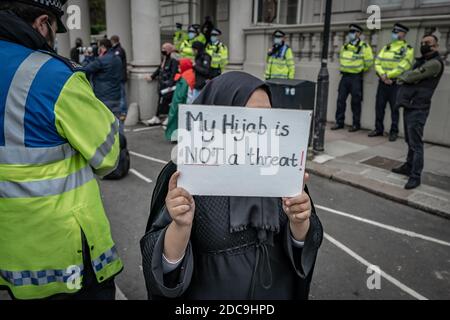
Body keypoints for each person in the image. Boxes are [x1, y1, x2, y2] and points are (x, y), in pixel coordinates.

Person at [141, 72, 323, 300]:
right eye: (245, 117)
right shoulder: (186, 170)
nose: (257, 127)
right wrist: (180, 227)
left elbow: (307, 244)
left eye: (265, 117)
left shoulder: (282, 165)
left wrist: (300, 223)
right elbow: (159, 264)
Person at [0, 0, 122, 300]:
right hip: (63, 254)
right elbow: (108, 156)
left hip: (11, 254)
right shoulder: (53, 74)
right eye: (55, 28)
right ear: (43, 24)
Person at [392, 35, 444, 190]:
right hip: (410, 104)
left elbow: (411, 75)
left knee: (416, 143)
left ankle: (415, 176)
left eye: (427, 43)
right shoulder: (423, 61)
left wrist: (405, 77)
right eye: (422, 43)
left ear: (435, 46)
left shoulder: (434, 64)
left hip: (419, 107)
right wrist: (407, 77)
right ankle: (408, 166)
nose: (423, 45)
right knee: (410, 141)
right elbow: (410, 76)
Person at [369, 23, 414, 141]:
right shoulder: (387, 47)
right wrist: (383, 76)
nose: (394, 34)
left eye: (396, 32)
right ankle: (378, 129)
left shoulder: (407, 49)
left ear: (403, 34)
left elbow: (403, 67)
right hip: (383, 82)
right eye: (393, 32)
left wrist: (387, 76)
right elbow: (377, 62)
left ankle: (394, 132)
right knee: (379, 107)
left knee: (394, 109)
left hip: (395, 83)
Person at [332, 24, 374, 132]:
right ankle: (339, 122)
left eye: (353, 32)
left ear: (359, 34)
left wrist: (359, 70)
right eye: (350, 32)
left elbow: (369, 62)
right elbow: (341, 59)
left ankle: (356, 124)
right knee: (340, 100)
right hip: (345, 77)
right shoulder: (345, 46)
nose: (351, 34)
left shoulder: (364, 47)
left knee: (356, 101)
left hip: (356, 77)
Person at [84, 38, 123, 132]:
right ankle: (121, 144)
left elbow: (85, 69)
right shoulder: (117, 59)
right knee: (116, 123)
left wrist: (87, 58)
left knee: (103, 126)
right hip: (116, 96)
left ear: (102, 48)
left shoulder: (101, 60)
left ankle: (108, 145)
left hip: (103, 97)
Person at [144, 43, 179, 126]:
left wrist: (170, 84)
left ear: (169, 50)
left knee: (168, 102)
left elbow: (173, 73)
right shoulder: (164, 59)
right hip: (162, 85)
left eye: (164, 49)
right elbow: (159, 69)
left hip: (168, 86)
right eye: (162, 48)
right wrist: (152, 77)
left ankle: (167, 117)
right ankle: (157, 117)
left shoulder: (173, 60)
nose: (162, 50)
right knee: (161, 101)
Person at [164, 58, 196, 142]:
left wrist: (175, 104)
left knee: (176, 119)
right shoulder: (190, 74)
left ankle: (175, 136)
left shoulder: (184, 77)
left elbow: (180, 95)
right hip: (189, 102)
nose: (178, 67)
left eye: (180, 65)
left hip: (183, 104)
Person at [111, 35, 128, 123]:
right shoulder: (117, 50)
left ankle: (123, 112)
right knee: (120, 94)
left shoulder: (118, 50)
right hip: (119, 76)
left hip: (120, 76)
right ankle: (121, 111)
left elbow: (115, 61)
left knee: (122, 95)